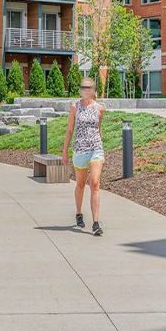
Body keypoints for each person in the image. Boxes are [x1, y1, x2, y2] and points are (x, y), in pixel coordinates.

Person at [62, 77, 105, 236]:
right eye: (83, 87)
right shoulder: (75, 107)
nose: (86, 89)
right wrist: (65, 152)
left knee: (94, 183)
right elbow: (69, 130)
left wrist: (100, 146)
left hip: (96, 149)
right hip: (80, 150)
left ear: (93, 90)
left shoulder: (100, 109)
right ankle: (79, 213)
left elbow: (98, 129)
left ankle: (95, 223)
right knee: (80, 184)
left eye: (89, 87)